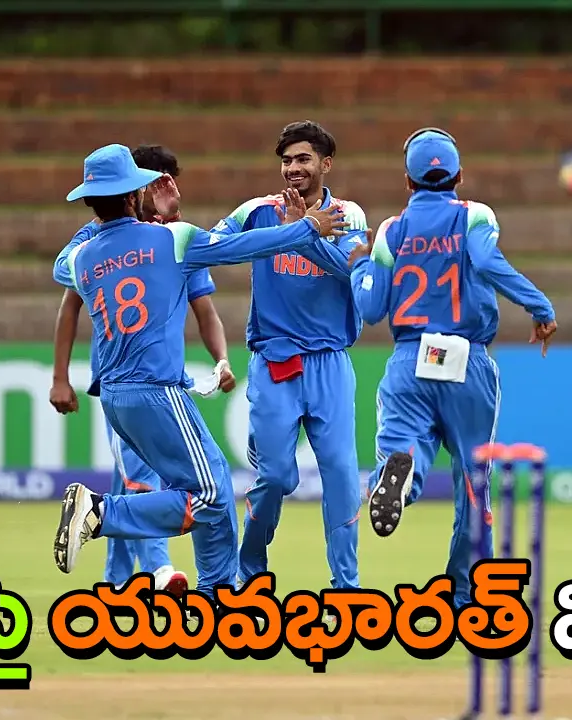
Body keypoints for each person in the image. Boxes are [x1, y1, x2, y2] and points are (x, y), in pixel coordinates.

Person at [52, 143, 350, 598]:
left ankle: (215, 594)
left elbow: (63, 265)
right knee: (211, 496)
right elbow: (242, 246)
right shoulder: (172, 238)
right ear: (135, 194)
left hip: (113, 394)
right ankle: (100, 513)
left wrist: (110, 219)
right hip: (156, 389)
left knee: (201, 491)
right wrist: (307, 227)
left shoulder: (82, 256)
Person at [350, 127, 557, 608]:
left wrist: (358, 264)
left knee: (406, 444)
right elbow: (485, 260)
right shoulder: (473, 215)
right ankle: (464, 592)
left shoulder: (390, 230)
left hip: (408, 358)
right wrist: (538, 305)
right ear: (460, 175)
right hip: (466, 358)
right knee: (472, 480)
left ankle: (398, 473)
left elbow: (372, 309)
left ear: (408, 181)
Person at [49, 144, 236, 596]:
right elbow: (69, 304)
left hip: (157, 384)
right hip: (130, 383)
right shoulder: (100, 238)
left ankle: (119, 581)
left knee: (174, 483)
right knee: (150, 482)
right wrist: (59, 377)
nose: (161, 190)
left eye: (167, 183)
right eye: (152, 182)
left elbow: (204, 309)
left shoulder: (175, 240)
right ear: (134, 191)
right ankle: (158, 569)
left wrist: (222, 359)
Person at [210, 121, 369, 590]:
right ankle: (250, 570)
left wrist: (304, 235)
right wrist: (285, 235)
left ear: (326, 164)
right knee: (277, 476)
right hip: (276, 361)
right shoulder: (257, 211)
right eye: (286, 161)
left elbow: (348, 270)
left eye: (302, 159)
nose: (292, 169)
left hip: (329, 361)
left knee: (340, 474)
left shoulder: (348, 214)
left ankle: (347, 587)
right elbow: (213, 247)